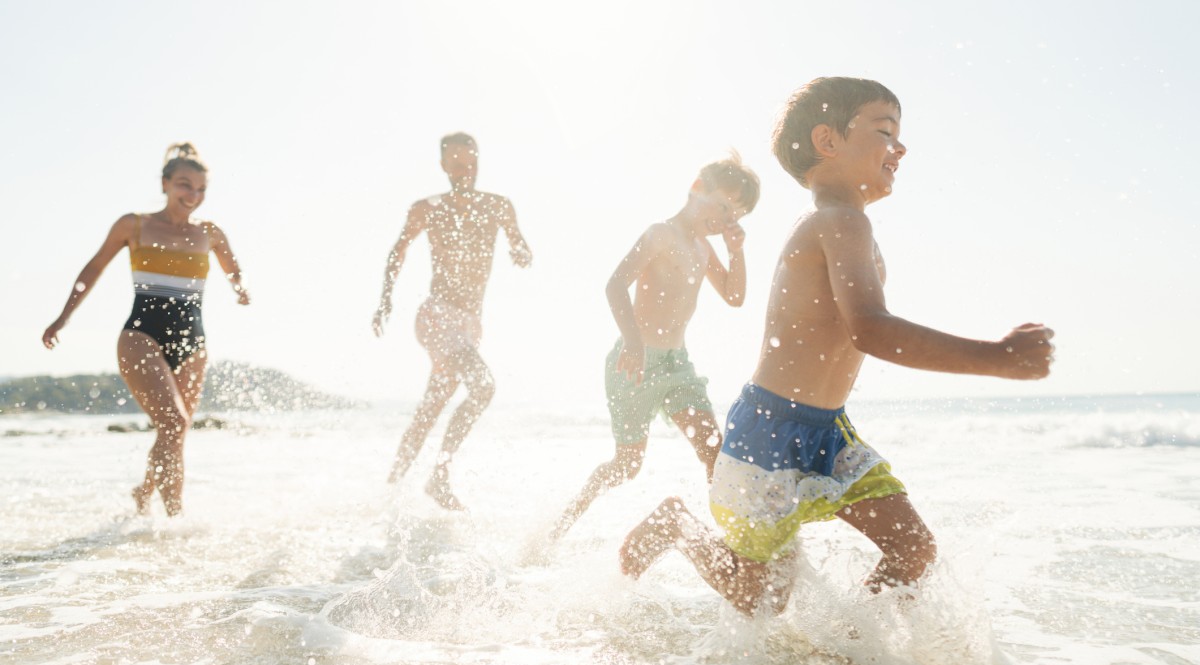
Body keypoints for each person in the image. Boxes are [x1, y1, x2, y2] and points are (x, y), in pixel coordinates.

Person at [618, 77, 1055, 616]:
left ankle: (853, 651)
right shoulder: (837, 222)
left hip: (829, 430)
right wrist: (996, 358)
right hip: (768, 435)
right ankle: (677, 527)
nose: (901, 146)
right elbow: (870, 328)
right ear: (828, 141)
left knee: (913, 549)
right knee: (759, 599)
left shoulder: (849, 225)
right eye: (885, 130)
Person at [549, 155, 760, 540]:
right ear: (698, 187)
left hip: (677, 364)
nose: (727, 219)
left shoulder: (703, 248)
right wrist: (632, 342)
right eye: (724, 206)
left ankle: (739, 541)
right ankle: (560, 524)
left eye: (736, 215)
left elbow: (734, 296)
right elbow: (615, 284)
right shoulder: (661, 234)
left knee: (714, 448)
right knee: (627, 465)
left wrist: (736, 250)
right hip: (634, 362)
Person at [42, 143, 251, 517]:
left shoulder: (210, 232)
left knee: (175, 432)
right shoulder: (134, 224)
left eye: (201, 189)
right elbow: (93, 268)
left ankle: (144, 494)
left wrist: (240, 289)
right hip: (141, 336)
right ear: (165, 183)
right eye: (185, 185)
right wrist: (63, 318)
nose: (194, 196)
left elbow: (234, 269)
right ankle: (176, 523)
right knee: (174, 421)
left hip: (194, 341)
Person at [373, 132, 532, 511]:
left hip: (469, 324)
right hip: (437, 316)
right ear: (443, 166)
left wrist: (521, 251)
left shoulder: (498, 206)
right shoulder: (427, 208)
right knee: (482, 386)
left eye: (470, 161)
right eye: (456, 163)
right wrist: (385, 299)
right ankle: (439, 475)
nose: (465, 169)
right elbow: (398, 250)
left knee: (430, 408)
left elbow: (519, 243)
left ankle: (388, 492)